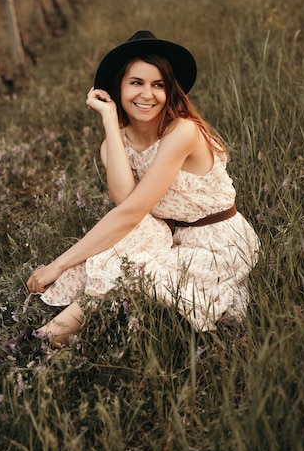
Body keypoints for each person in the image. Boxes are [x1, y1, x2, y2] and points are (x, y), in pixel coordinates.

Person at [26, 31, 260, 347]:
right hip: (167, 234)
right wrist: (110, 120)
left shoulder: (183, 132)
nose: (147, 94)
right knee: (127, 240)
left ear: (169, 90)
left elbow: (131, 211)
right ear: (118, 89)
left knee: (131, 262)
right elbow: (125, 202)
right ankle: (54, 336)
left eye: (158, 84)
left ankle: (50, 337)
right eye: (136, 83)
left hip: (217, 242)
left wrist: (57, 265)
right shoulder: (113, 146)